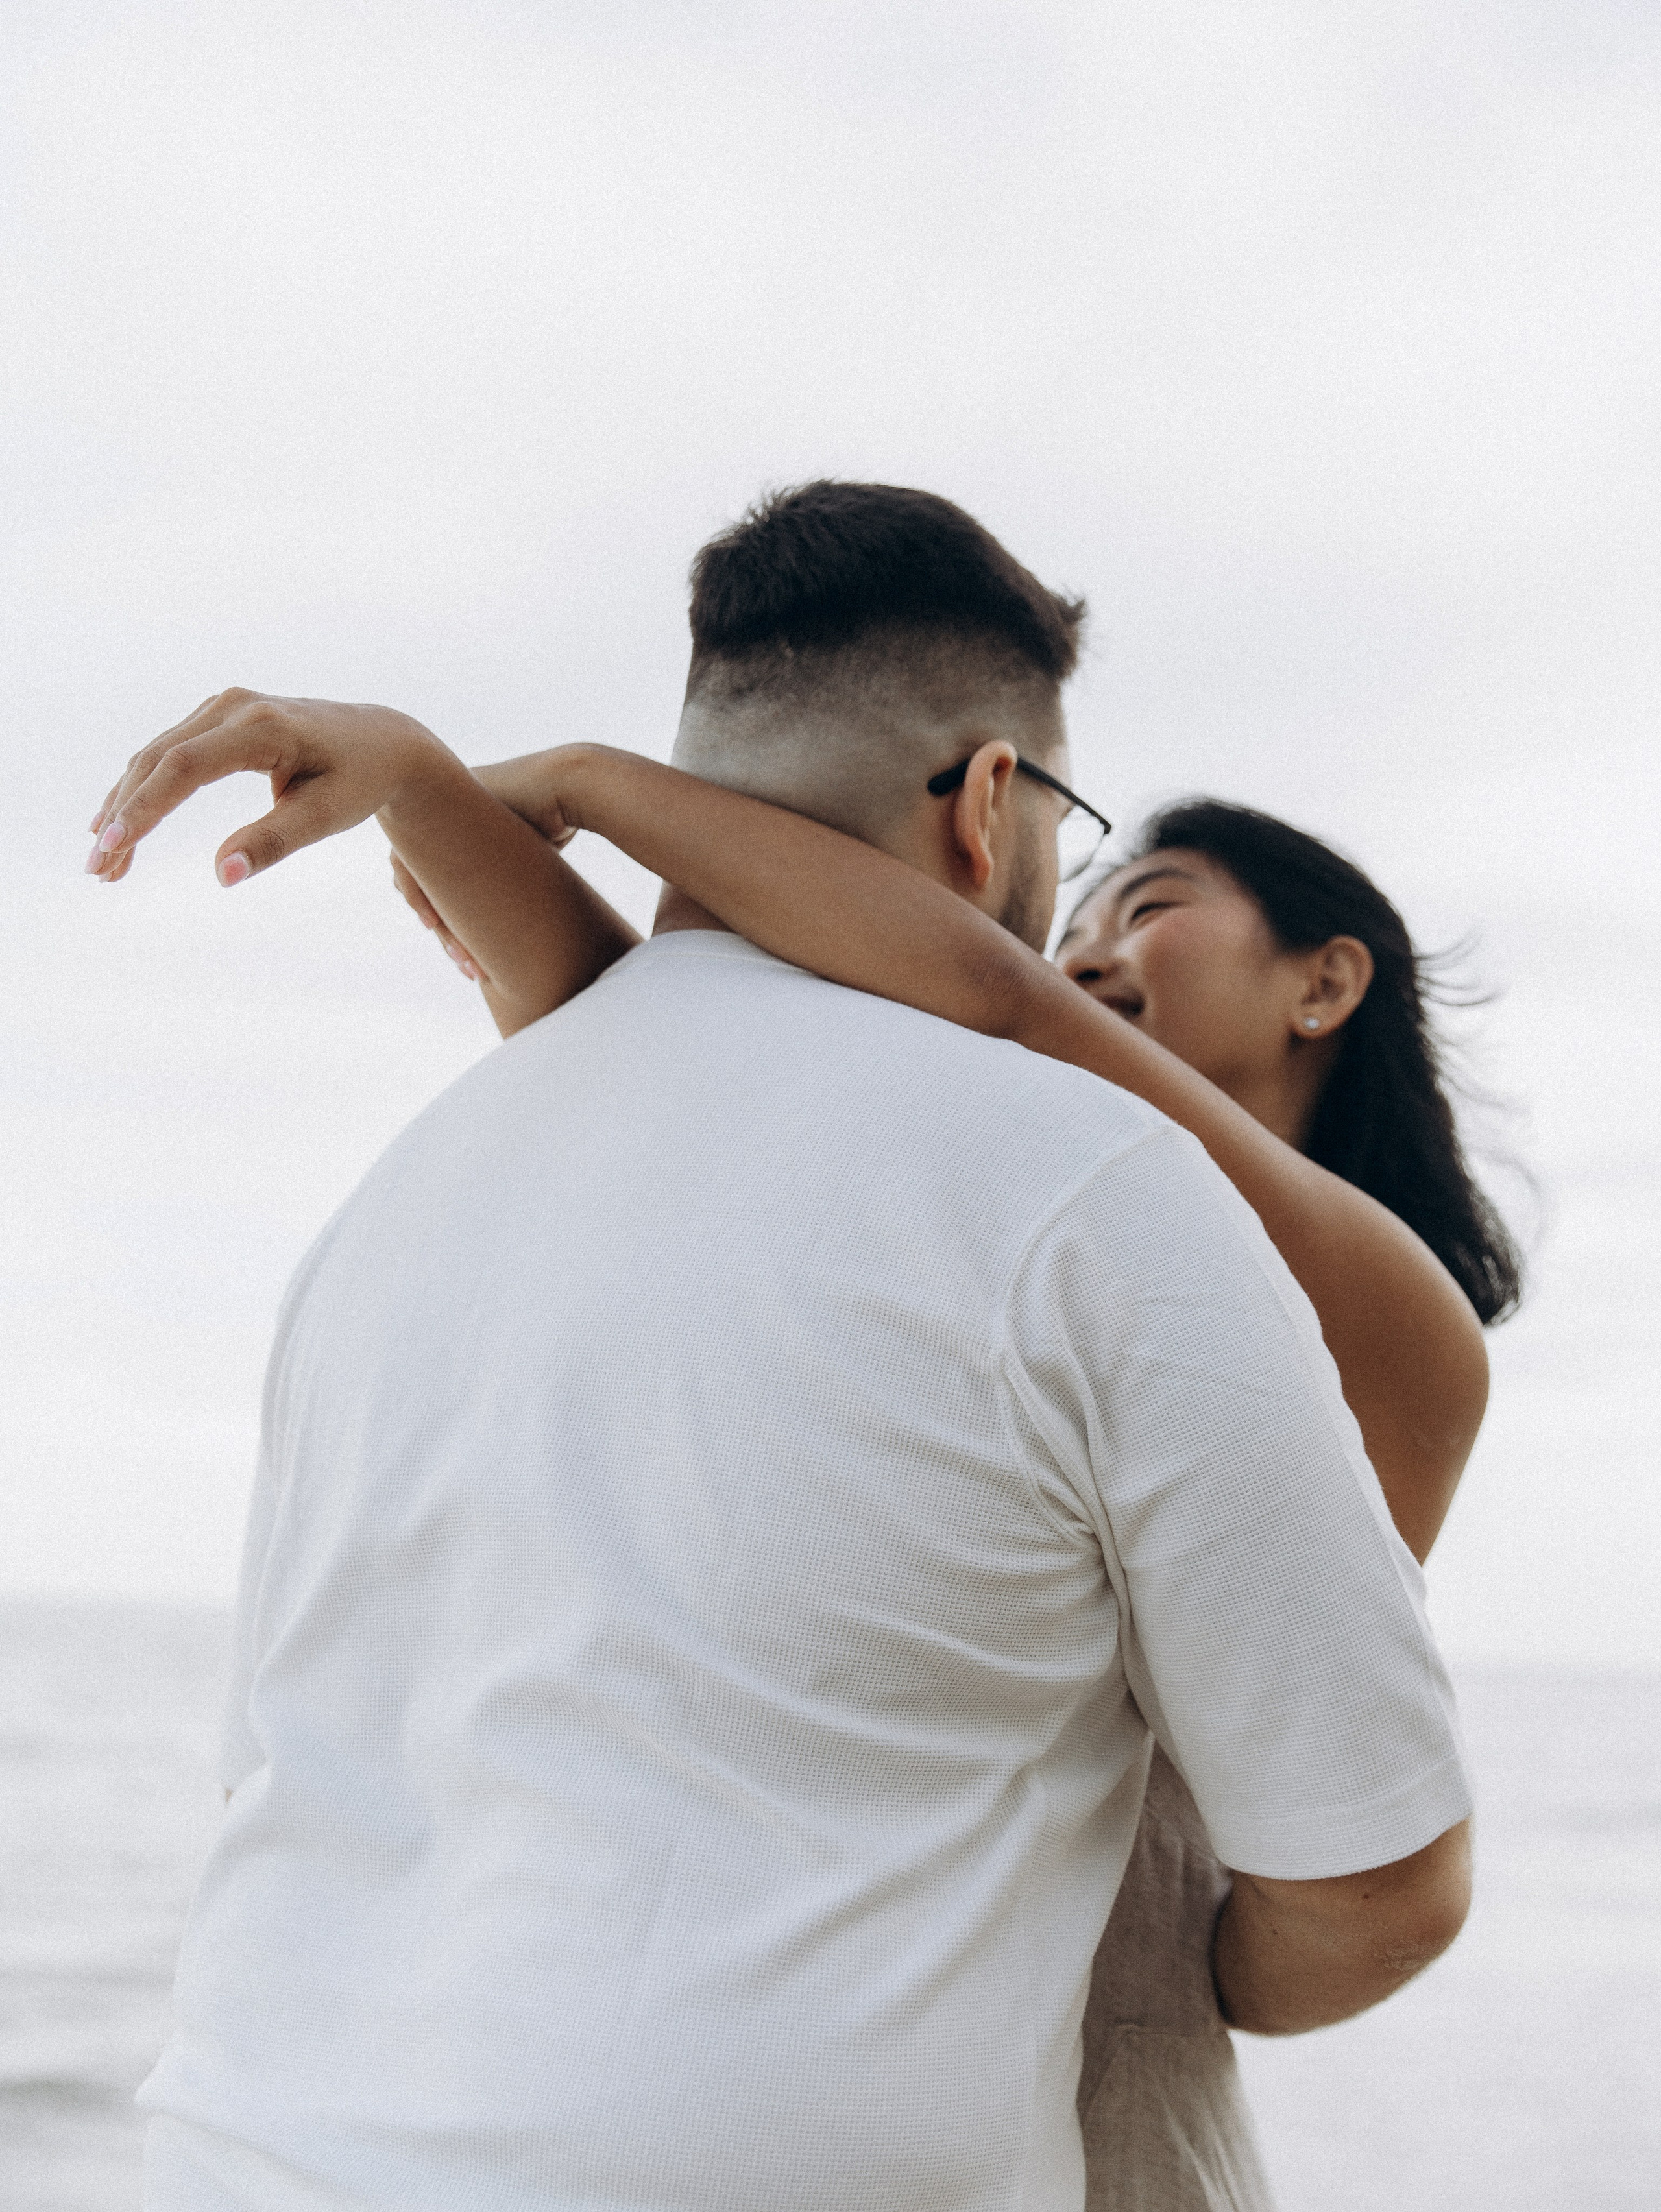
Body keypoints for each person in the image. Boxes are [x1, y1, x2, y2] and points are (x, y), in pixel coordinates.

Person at [91, 484, 1475, 2212]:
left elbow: (923, 1015)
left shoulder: (394, 1214)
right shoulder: (1079, 1197)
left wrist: (575, 789)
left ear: (1325, 986)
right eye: (1082, 872)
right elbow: (751, 1034)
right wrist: (484, 807)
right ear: (992, 804)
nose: (1090, 943)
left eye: (1153, 904)